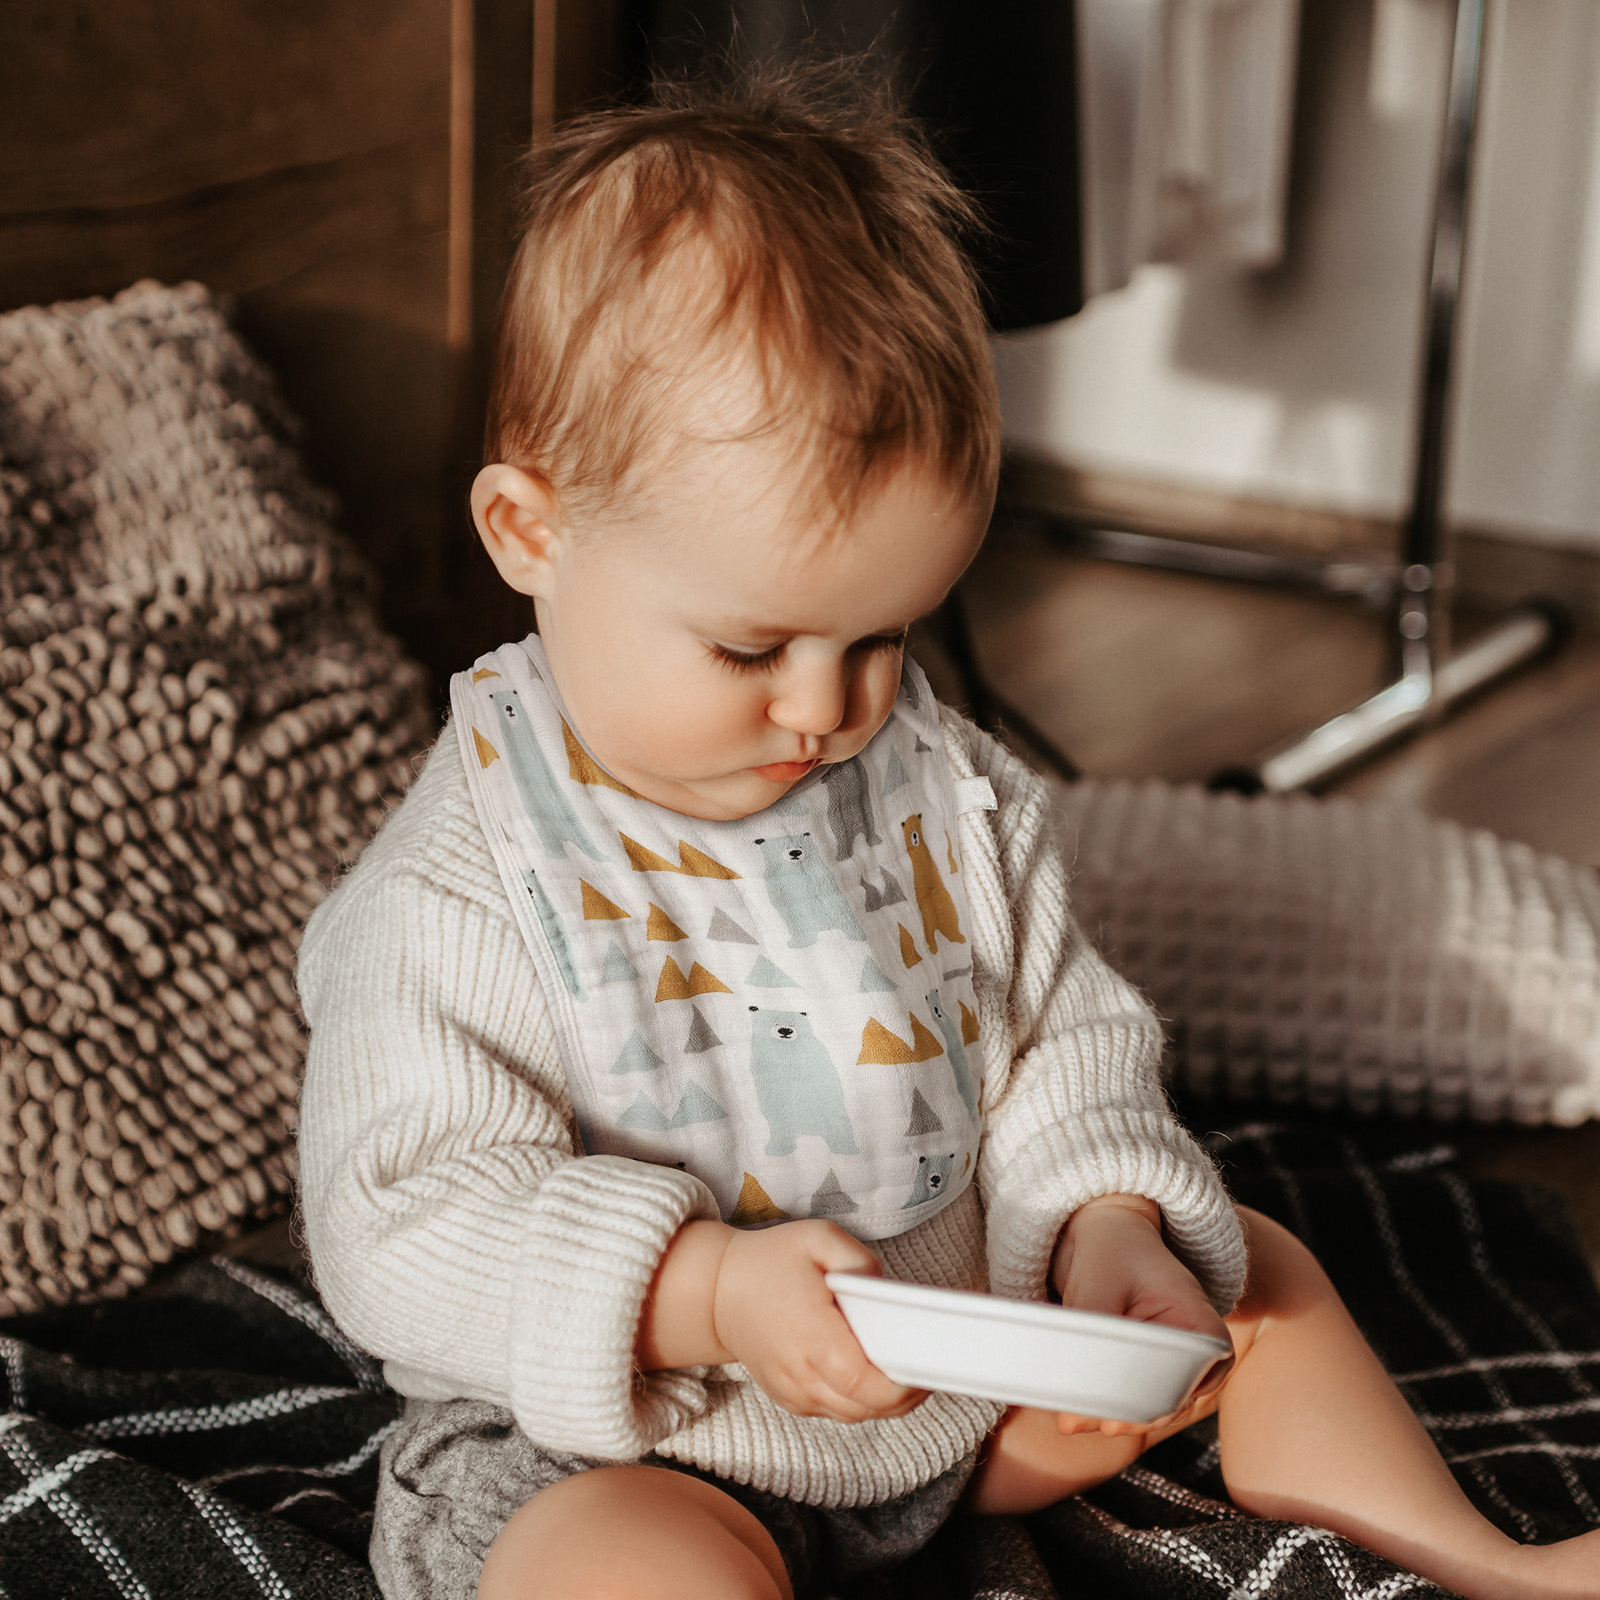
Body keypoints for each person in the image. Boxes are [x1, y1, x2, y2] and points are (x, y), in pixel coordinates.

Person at [295, 65, 1600, 1600]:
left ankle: (1472, 1563)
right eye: (752, 648)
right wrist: (701, 1292)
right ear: (532, 533)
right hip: (624, 1446)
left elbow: (1063, 1037)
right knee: (623, 1565)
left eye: (883, 638)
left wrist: (1108, 1220)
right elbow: (406, 1221)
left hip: (956, 1407)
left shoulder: (946, 788)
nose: (826, 708)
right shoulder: (469, 880)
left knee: (1255, 1271)